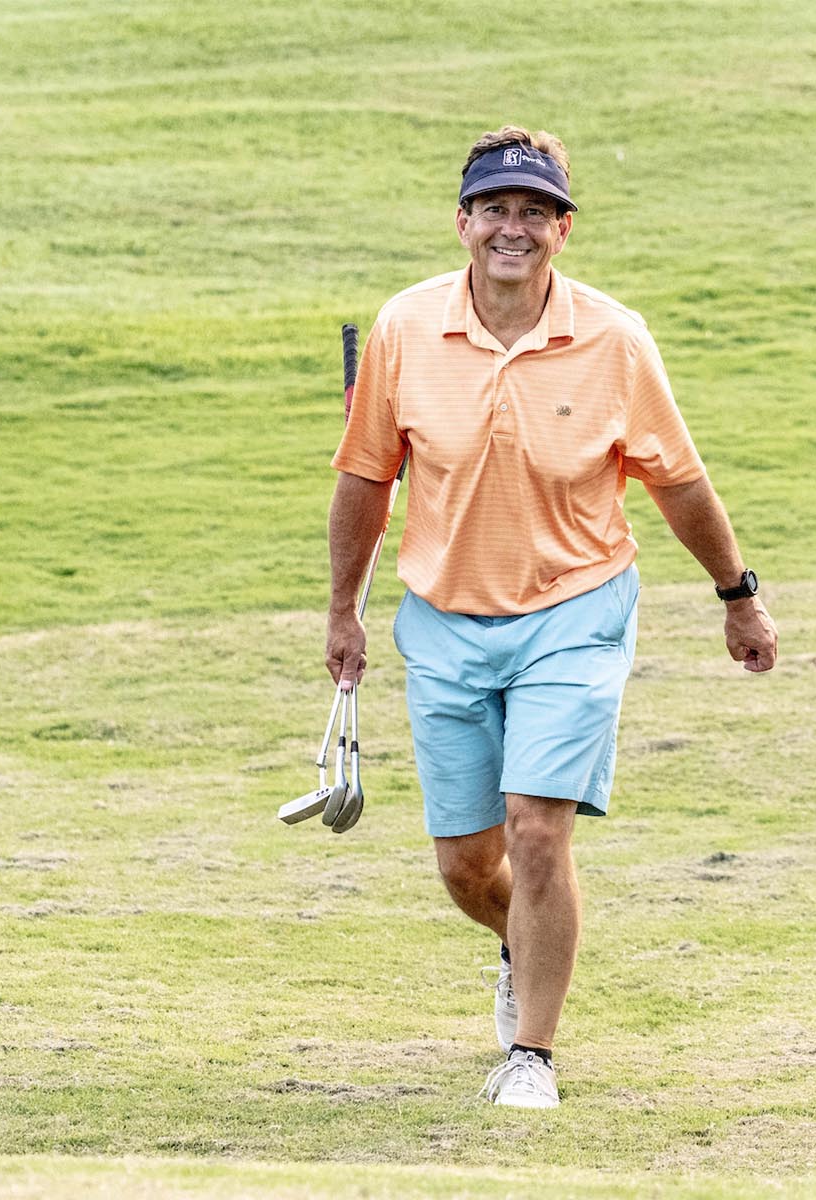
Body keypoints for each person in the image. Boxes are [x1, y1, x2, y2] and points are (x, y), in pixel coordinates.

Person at [324, 125, 778, 1109]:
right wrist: (343, 612)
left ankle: (531, 1054)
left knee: (536, 831)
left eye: (535, 212)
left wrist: (737, 595)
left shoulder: (615, 339)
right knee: (467, 865)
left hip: (575, 610)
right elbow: (366, 477)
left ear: (564, 229)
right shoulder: (405, 328)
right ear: (462, 222)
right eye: (495, 208)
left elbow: (678, 480)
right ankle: (519, 945)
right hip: (443, 618)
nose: (513, 228)